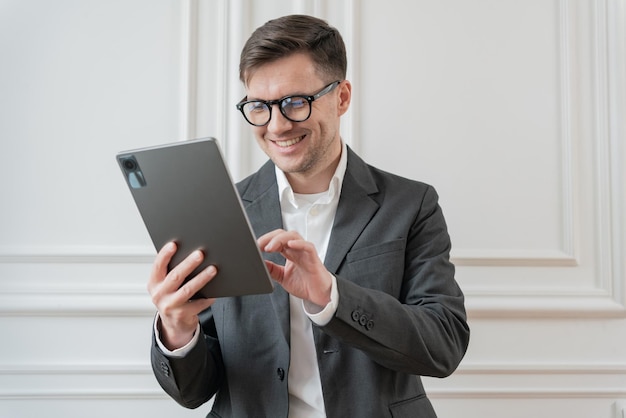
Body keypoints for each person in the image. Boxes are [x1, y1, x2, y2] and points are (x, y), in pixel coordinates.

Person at [148, 14, 470, 418]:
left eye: (295, 102)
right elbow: (194, 392)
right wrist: (177, 330)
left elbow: (444, 346)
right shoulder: (223, 210)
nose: (277, 125)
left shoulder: (411, 204)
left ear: (342, 96)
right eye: (259, 107)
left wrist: (330, 296)